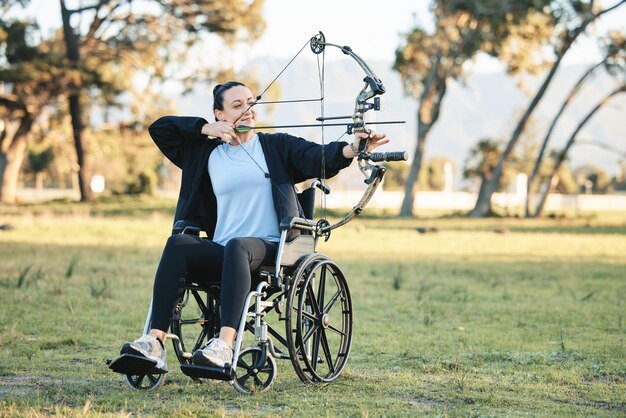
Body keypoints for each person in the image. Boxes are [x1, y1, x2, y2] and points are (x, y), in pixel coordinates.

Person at [119, 81, 389, 371]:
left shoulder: (275, 146)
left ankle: (224, 345)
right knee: (177, 244)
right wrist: (204, 129)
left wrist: (352, 148)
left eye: (250, 103)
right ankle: (154, 343)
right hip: (224, 251)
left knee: (239, 245)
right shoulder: (205, 155)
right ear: (219, 114)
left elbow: (318, 157)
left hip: (273, 249)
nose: (247, 110)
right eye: (237, 106)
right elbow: (160, 129)